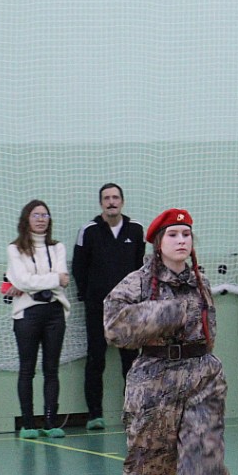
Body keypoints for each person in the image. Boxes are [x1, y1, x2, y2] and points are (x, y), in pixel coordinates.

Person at [103, 209, 231, 475]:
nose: (181, 241)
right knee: (150, 471)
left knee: (206, 468)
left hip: (201, 377)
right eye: (173, 234)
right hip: (154, 381)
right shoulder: (138, 282)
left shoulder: (201, 281)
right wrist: (166, 313)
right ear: (159, 243)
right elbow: (114, 327)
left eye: (186, 234)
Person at [72, 183, 146, 430]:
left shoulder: (136, 229)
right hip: (97, 308)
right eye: (106, 198)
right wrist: (90, 296)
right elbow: (79, 267)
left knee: (131, 362)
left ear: (122, 201)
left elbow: (139, 268)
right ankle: (95, 415)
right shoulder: (88, 231)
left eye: (115, 197)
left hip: (128, 309)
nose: (111, 202)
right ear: (101, 203)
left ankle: (133, 413)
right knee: (96, 359)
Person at [7, 200, 72, 439]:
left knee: (51, 369)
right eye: (36, 215)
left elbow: (63, 280)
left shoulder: (57, 247)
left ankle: (51, 422)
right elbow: (23, 280)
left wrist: (33, 282)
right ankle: (28, 424)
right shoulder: (15, 249)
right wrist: (52, 279)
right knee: (27, 369)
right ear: (27, 219)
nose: (41, 219)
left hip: (54, 311)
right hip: (27, 313)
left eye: (45, 215)